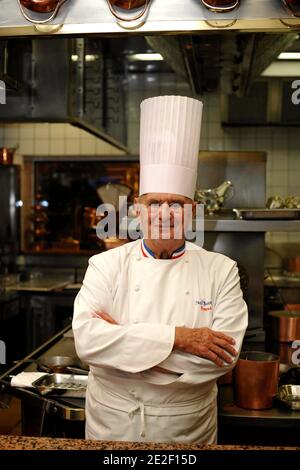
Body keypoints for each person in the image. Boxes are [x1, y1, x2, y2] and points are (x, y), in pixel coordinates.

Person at [72, 95, 248, 444]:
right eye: (155, 203)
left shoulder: (222, 270)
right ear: (138, 210)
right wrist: (181, 339)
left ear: (193, 211)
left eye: (177, 204)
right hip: (113, 424)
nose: (165, 214)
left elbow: (223, 359)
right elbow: (88, 342)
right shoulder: (106, 265)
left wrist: (124, 346)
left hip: (186, 428)